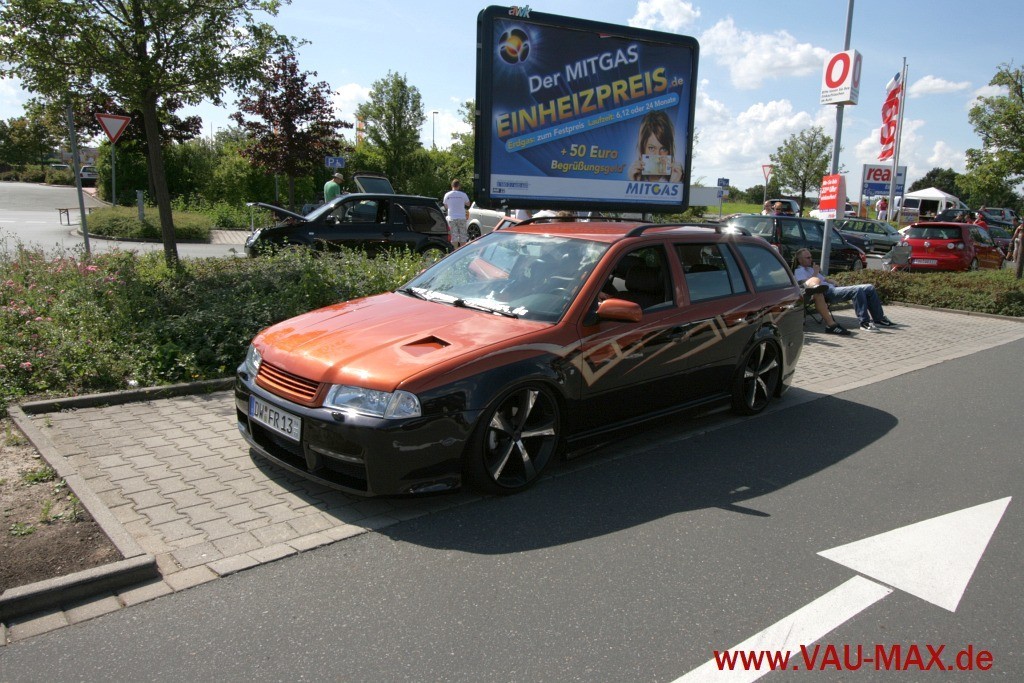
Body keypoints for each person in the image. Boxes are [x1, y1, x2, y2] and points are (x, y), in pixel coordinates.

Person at [792, 248, 895, 332]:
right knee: (857, 290)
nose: (810, 259)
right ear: (800, 260)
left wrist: (831, 280)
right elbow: (807, 284)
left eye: (811, 257)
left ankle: (879, 319)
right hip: (826, 293)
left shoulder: (810, 269)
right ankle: (865, 323)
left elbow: (823, 279)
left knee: (869, 287)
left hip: (833, 288)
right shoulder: (799, 271)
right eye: (807, 258)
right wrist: (815, 272)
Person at [628, 111, 683, 182]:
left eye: (663, 149)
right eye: (651, 148)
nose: (657, 154)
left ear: (670, 151)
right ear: (642, 149)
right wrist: (633, 183)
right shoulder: (634, 177)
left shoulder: (677, 179)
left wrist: (673, 185)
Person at [442, 179, 471, 248]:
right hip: (462, 218)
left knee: (453, 237)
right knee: (463, 237)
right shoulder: (463, 194)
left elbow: (445, 206)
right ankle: (462, 251)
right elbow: (468, 204)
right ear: (459, 186)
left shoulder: (447, 195)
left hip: (452, 218)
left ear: (452, 185)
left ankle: (454, 251)